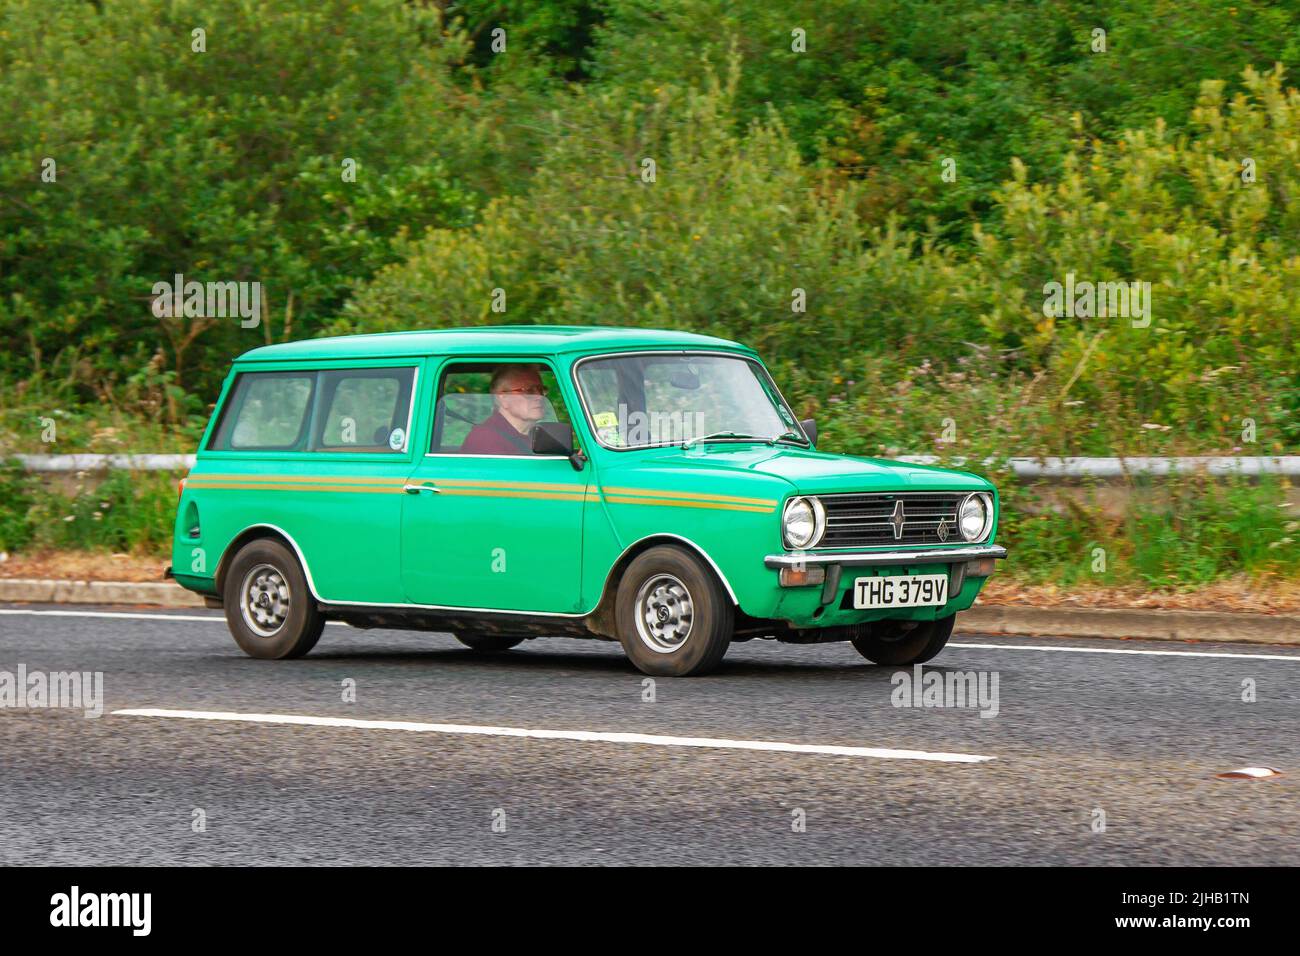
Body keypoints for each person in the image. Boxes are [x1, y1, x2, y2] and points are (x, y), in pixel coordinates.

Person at [459, 364, 548, 455]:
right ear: (503, 398)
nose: (539, 396)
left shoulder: (540, 436)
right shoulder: (486, 439)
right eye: (529, 391)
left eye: (541, 389)